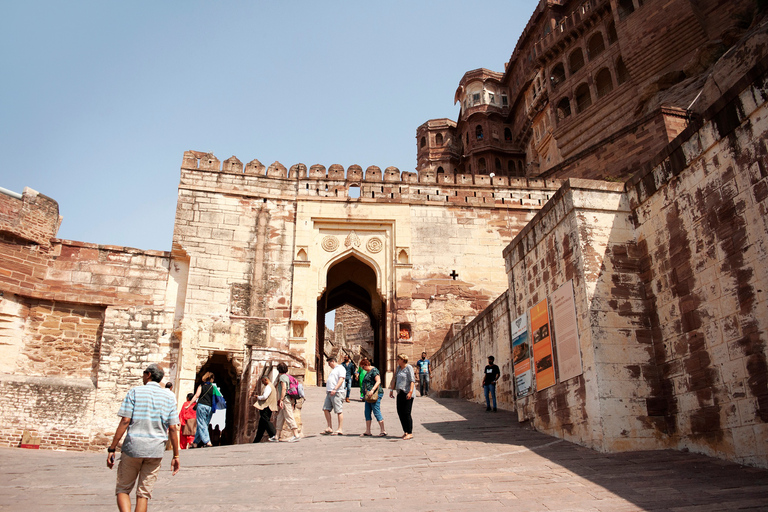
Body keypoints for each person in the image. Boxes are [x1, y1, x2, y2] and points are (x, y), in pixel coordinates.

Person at [106, 364, 180, 512]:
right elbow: (173, 428)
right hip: (155, 450)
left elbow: (125, 421)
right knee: (143, 494)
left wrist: (112, 448)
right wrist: (176, 455)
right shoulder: (169, 397)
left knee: (123, 489)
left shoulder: (135, 392)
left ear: (148, 375)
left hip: (133, 447)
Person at [389, 354, 415, 440]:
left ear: (403, 360)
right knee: (400, 412)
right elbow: (394, 379)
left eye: (398, 359)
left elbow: (412, 380)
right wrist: (391, 390)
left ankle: (410, 432)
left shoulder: (409, 368)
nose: (397, 360)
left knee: (407, 413)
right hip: (400, 392)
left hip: (407, 392)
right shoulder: (398, 368)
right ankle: (405, 431)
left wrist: (410, 392)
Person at [185, 372, 215, 448]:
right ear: (211, 379)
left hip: (202, 406)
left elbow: (196, 396)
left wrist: (189, 404)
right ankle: (195, 442)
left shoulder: (201, 386)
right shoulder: (213, 387)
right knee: (203, 424)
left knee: (202, 424)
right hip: (209, 407)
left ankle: (207, 441)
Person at [359, 358, 386, 437]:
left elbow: (378, 381)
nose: (363, 369)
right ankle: (368, 430)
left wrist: (372, 390)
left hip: (375, 394)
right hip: (368, 395)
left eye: (363, 367)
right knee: (367, 411)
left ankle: (383, 430)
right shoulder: (367, 372)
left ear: (367, 365)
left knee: (376, 410)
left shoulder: (374, 371)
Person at [274, 363, 301, 442]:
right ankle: (276, 436)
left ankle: (296, 434)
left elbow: (284, 388)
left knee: (289, 416)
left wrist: (281, 399)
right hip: (288, 398)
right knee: (280, 417)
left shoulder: (282, 377)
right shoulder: (288, 376)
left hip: (285, 399)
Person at [321, 356, 346, 435]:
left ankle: (340, 428)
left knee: (338, 410)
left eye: (329, 363)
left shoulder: (340, 368)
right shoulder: (334, 370)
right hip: (330, 392)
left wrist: (335, 388)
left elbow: (341, 379)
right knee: (325, 409)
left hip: (337, 392)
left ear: (333, 361)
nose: (329, 365)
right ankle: (329, 427)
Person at [252, 376, 278, 443]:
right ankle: (256, 440)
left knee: (266, 421)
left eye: (263, 381)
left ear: (266, 379)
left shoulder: (268, 387)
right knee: (262, 424)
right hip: (268, 406)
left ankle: (274, 435)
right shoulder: (271, 386)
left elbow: (264, 397)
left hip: (266, 407)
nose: (263, 383)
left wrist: (258, 397)